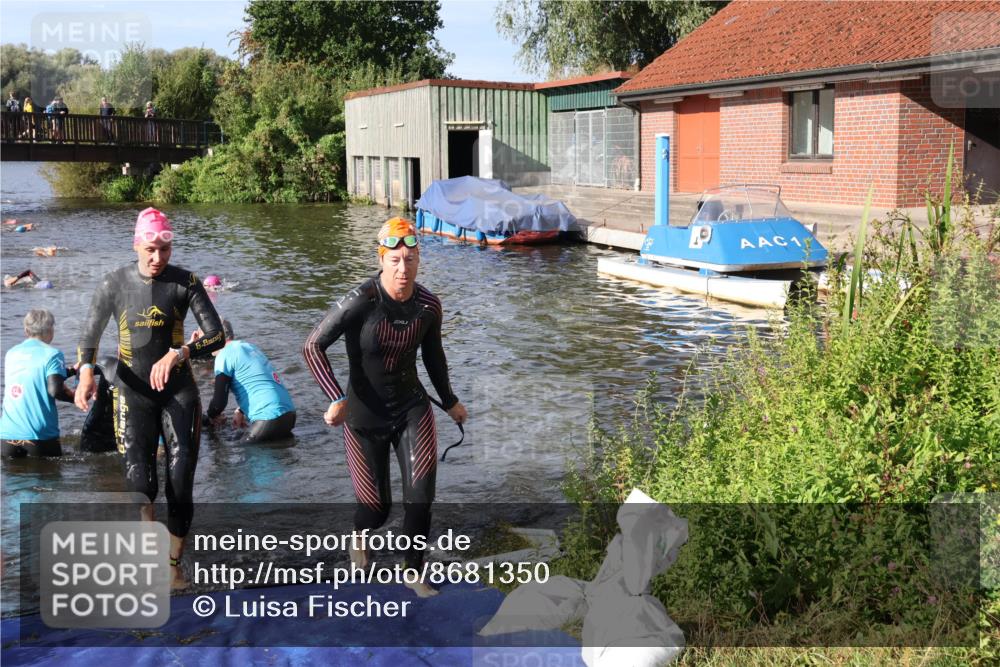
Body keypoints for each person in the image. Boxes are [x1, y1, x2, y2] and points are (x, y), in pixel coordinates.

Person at [303, 216, 467, 597]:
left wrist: (449, 401)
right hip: (362, 417)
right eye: (394, 260)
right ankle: (359, 536)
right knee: (377, 509)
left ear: (419, 260)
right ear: (381, 259)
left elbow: (434, 357)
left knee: (420, 498)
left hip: (412, 408)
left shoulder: (428, 306)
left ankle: (413, 571)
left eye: (410, 259)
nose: (403, 268)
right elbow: (312, 346)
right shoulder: (361, 300)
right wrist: (336, 398)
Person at [74, 207, 224, 588]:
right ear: (136, 244)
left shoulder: (185, 282)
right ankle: (147, 535)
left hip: (178, 390)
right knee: (141, 482)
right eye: (151, 250)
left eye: (164, 251)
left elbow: (216, 335)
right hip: (132, 392)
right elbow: (90, 334)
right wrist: (86, 373)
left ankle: (172, 565)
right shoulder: (114, 283)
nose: (158, 258)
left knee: (180, 481)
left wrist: (180, 353)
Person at [204, 320, 296, 443]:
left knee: (242, 453)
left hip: (268, 418)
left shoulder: (223, 355)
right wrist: (240, 410)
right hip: (289, 415)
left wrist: (211, 417)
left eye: (204, 338)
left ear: (214, 337)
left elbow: (219, 403)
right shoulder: (249, 347)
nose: (202, 343)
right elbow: (261, 381)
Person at [1, 310, 75, 457]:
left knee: (14, 479)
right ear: (50, 330)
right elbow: (55, 390)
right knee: (51, 478)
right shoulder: (52, 354)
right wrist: (76, 397)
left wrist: (71, 371)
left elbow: (33, 376)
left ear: (26, 330)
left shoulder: (11, 353)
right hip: (39, 436)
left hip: (6, 435)